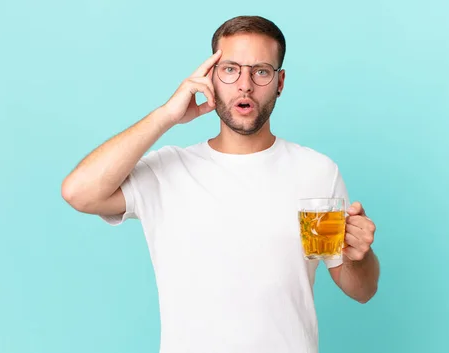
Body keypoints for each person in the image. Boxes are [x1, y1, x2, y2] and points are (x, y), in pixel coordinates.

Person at [62, 15, 380, 353]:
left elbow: (360, 289)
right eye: (230, 69)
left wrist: (358, 256)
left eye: (260, 71)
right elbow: (78, 192)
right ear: (210, 78)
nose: (245, 85)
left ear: (280, 82)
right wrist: (165, 116)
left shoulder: (314, 173)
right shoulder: (168, 172)